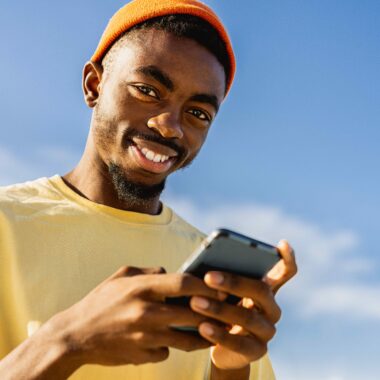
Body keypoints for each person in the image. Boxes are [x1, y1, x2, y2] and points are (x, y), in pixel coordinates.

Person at [0, 0, 297, 379]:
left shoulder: (205, 267)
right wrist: (68, 340)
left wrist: (232, 367)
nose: (171, 126)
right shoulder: (7, 222)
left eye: (199, 113)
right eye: (148, 90)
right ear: (95, 85)